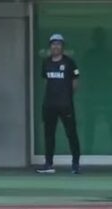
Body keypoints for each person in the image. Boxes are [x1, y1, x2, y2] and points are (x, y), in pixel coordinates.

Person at [36, 34, 82, 175]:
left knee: (71, 133)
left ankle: (75, 164)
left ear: (62, 46)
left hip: (65, 105)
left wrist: (66, 96)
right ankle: (48, 164)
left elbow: (75, 82)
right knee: (49, 134)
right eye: (53, 44)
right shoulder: (46, 62)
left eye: (58, 44)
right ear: (50, 46)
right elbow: (46, 81)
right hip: (49, 105)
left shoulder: (69, 62)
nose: (56, 46)